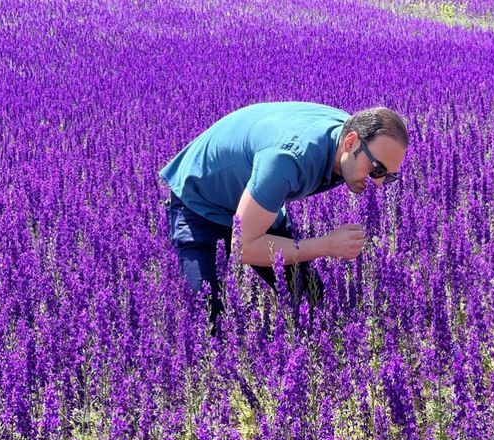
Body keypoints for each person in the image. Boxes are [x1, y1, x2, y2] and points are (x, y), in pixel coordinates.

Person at [159, 101, 409, 333]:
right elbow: (242, 248)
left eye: (388, 176)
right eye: (377, 169)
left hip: (257, 199)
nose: (378, 183)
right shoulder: (288, 161)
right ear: (350, 142)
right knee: (209, 322)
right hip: (200, 202)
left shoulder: (348, 141)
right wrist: (327, 245)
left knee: (314, 304)